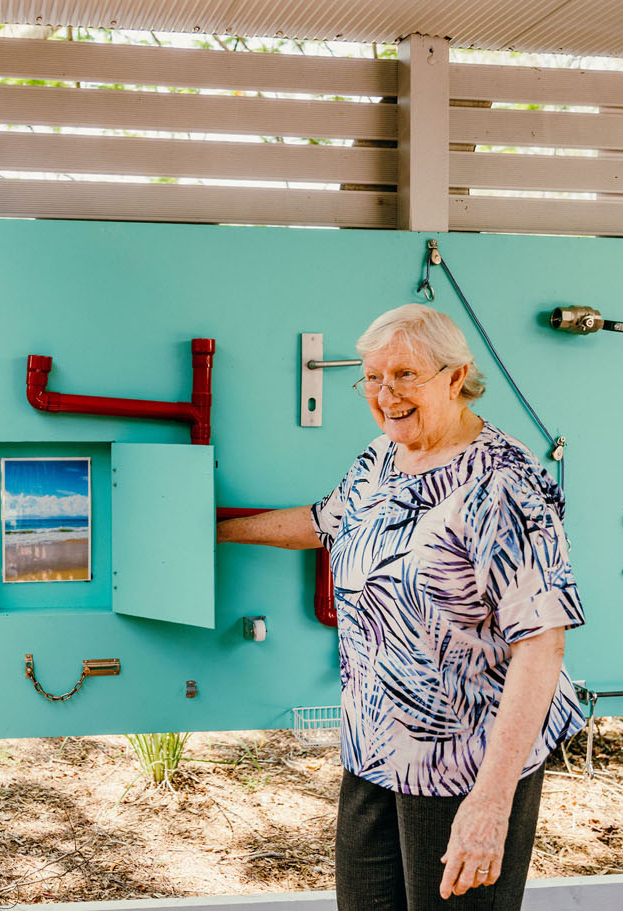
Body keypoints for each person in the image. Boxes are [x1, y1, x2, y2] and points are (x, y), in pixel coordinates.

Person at [217, 303, 585, 911]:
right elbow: (322, 523)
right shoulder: (381, 457)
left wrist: (490, 804)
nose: (386, 394)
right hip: (374, 751)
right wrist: (216, 534)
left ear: (455, 375)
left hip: (464, 763)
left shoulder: (502, 482)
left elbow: (541, 643)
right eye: (373, 377)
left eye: (405, 375)